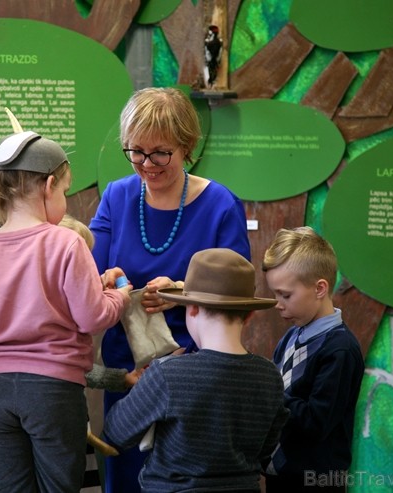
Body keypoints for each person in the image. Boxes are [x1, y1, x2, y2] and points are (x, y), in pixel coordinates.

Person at [0, 131, 133, 493]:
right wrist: (120, 298)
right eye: (65, 192)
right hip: (53, 393)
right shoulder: (66, 242)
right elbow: (91, 316)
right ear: (49, 185)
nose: (65, 202)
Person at [90, 86, 251, 493]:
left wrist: (182, 289)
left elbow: (238, 295)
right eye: (136, 152)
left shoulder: (220, 205)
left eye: (160, 152)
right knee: (125, 481)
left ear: (187, 145)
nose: (146, 164)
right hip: (128, 376)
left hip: (193, 379)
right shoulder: (117, 195)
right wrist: (104, 279)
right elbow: (86, 275)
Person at [102, 248, 289, 492]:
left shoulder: (167, 375)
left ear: (191, 309)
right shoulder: (270, 376)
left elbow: (116, 431)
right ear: (250, 314)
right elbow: (266, 449)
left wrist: (147, 388)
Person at [261, 227, 365, 492]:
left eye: (285, 295)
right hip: (279, 476)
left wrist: (267, 394)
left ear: (320, 288)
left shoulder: (340, 349)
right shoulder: (291, 335)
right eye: (275, 294)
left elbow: (316, 422)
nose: (278, 303)